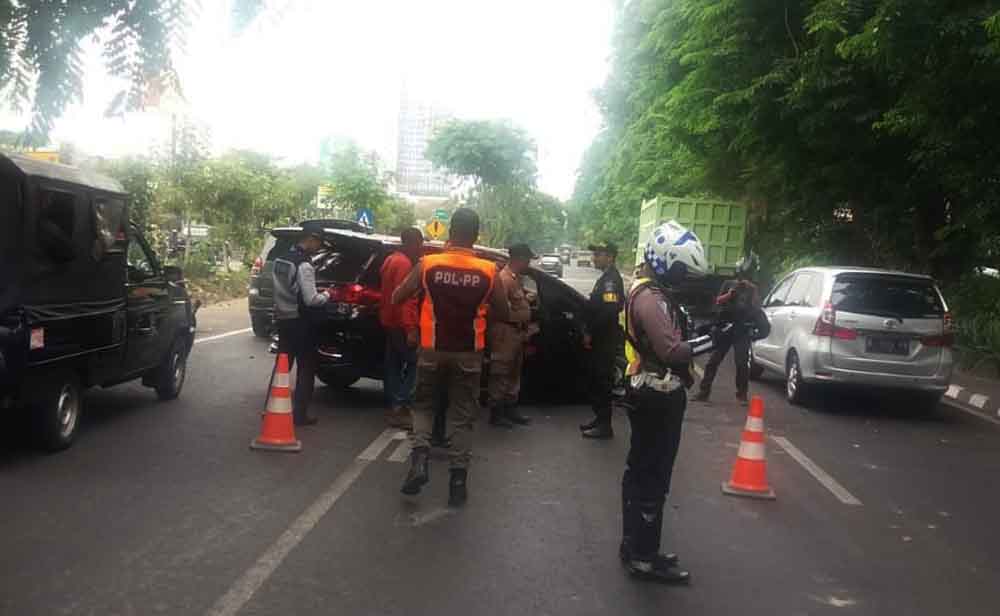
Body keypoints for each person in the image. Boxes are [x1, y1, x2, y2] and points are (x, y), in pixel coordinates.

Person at [392, 208, 510, 506]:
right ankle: (458, 482)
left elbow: (398, 297)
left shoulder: (429, 264)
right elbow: (504, 311)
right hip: (469, 353)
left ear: (449, 232)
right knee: (462, 416)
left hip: (432, 349)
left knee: (424, 406)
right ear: (476, 235)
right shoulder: (488, 271)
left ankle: (419, 461)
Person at [618, 219, 708, 584]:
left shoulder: (648, 291)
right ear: (665, 261)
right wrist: (715, 340)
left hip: (649, 392)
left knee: (639, 473)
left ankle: (635, 547)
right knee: (653, 478)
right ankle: (643, 556)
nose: (683, 279)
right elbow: (672, 351)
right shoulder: (651, 299)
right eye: (680, 270)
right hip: (657, 395)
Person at [272, 221, 330, 426]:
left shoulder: (280, 259)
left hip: (283, 318)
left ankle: (272, 406)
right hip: (301, 322)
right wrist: (327, 294)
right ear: (311, 239)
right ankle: (300, 415)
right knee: (306, 368)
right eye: (319, 243)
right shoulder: (304, 265)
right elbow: (311, 299)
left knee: (282, 365)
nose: (319, 247)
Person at [692, 255, 760, 404]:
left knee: (742, 363)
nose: (743, 280)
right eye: (742, 276)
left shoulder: (752, 289)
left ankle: (741, 394)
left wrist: (750, 298)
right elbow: (718, 301)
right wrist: (730, 294)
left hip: (741, 329)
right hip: (725, 327)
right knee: (713, 361)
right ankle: (704, 392)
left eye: (746, 277)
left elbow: (756, 309)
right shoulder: (728, 284)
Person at [487, 243, 536, 428]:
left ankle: (510, 409)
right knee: (501, 373)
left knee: (514, 373)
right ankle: (497, 414)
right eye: (527, 259)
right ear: (519, 259)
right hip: (504, 333)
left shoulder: (515, 279)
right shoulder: (504, 279)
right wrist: (518, 319)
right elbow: (498, 310)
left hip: (515, 333)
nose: (529, 263)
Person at [580, 241, 625, 439]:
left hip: (604, 338)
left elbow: (609, 310)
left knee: (603, 380)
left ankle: (605, 425)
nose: (594, 258)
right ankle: (599, 419)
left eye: (598, 254)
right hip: (601, 337)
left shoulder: (611, 281)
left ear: (610, 257)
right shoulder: (606, 278)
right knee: (597, 380)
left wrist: (591, 332)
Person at [380, 228, 424, 429]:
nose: (421, 249)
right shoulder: (405, 264)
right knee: (415, 364)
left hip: (388, 321)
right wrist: (411, 329)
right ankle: (401, 407)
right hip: (400, 323)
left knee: (393, 365)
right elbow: (406, 300)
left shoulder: (390, 260)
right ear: (412, 243)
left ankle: (394, 405)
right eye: (419, 244)